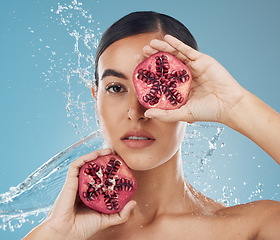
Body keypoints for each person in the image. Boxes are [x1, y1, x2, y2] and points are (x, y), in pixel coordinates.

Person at [24, 11, 280, 240]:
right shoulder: (64, 233)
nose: (136, 112)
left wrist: (235, 105)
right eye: (115, 88)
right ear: (96, 99)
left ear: (188, 96)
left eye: (158, 88)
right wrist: (54, 233)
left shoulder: (253, 227)